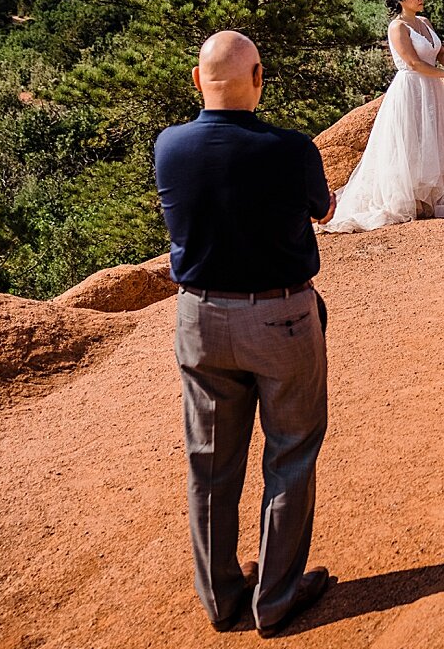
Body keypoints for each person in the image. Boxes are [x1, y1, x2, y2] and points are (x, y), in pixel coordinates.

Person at [153, 31, 335, 636]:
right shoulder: (290, 149)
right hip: (280, 316)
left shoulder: (169, 147)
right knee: (291, 452)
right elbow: (324, 210)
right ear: (258, 77)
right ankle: (277, 596)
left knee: (209, 462)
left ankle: (222, 597)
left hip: (200, 318)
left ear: (196, 81)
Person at [322, 0, 444, 231]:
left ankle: (434, 197)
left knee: (433, 138)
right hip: (411, 89)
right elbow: (414, 63)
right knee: (411, 141)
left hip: (432, 89)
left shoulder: (425, 22)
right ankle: (410, 199)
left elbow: (442, 54)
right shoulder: (398, 27)